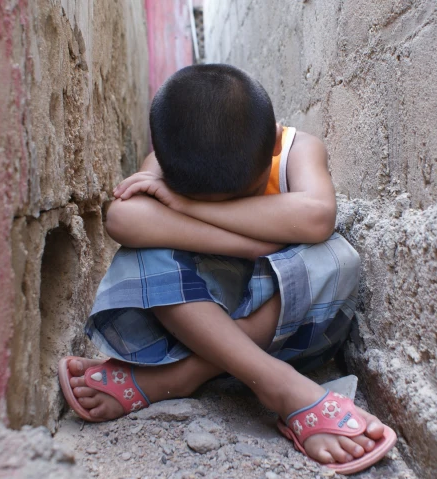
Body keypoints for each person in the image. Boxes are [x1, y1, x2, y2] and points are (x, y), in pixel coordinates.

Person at [58, 64, 395, 474]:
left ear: (274, 138)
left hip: (289, 327)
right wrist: (250, 242)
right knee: (142, 255)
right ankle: (280, 386)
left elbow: (318, 217)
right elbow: (122, 221)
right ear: (160, 157)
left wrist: (188, 206)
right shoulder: (172, 156)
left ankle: (183, 375)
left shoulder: (297, 148)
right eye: (200, 200)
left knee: (337, 256)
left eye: (243, 197)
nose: (218, 210)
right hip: (196, 320)